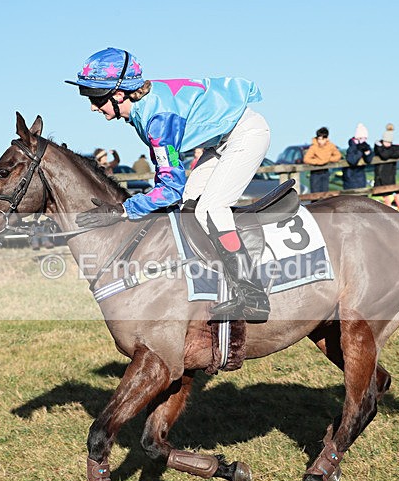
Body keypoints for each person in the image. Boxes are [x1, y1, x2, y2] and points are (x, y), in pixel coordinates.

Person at [67, 47, 271, 320]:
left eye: (95, 97)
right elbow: (168, 177)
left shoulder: (158, 121)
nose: (93, 106)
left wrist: (124, 209)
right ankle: (216, 282)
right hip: (220, 141)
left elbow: (170, 187)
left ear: (118, 94)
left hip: (245, 136)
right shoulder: (144, 110)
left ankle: (253, 295)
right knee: (189, 206)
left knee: (210, 209)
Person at [373, 124, 399, 210]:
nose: (388, 144)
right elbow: (384, 155)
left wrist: (389, 153)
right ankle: (388, 207)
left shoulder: (394, 148)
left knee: (394, 189)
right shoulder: (379, 147)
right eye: (386, 142)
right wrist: (390, 154)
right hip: (381, 173)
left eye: (390, 142)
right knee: (385, 191)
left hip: (390, 172)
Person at [303, 127, 341, 193]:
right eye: (319, 139)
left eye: (322, 139)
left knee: (325, 193)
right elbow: (306, 159)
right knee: (315, 194)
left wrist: (328, 159)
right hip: (315, 172)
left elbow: (338, 156)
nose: (320, 141)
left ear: (326, 138)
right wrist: (318, 162)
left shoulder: (331, 146)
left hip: (325, 172)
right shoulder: (313, 147)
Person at [343, 123, 374, 189]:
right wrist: (360, 151)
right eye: (363, 138)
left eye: (365, 138)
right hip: (351, 179)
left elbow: (369, 160)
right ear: (358, 138)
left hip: (361, 178)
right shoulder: (351, 148)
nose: (364, 140)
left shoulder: (365, 146)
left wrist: (367, 153)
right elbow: (352, 161)